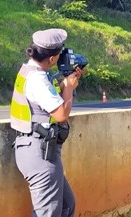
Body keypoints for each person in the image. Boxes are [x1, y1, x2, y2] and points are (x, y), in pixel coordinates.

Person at [10, 28, 84, 217]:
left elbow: (44, 99)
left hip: (37, 148)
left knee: (67, 205)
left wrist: (66, 81)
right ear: (51, 59)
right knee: (48, 214)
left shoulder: (30, 71)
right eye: (59, 54)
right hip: (39, 153)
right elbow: (60, 115)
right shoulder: (37, 79)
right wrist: (68, 89)